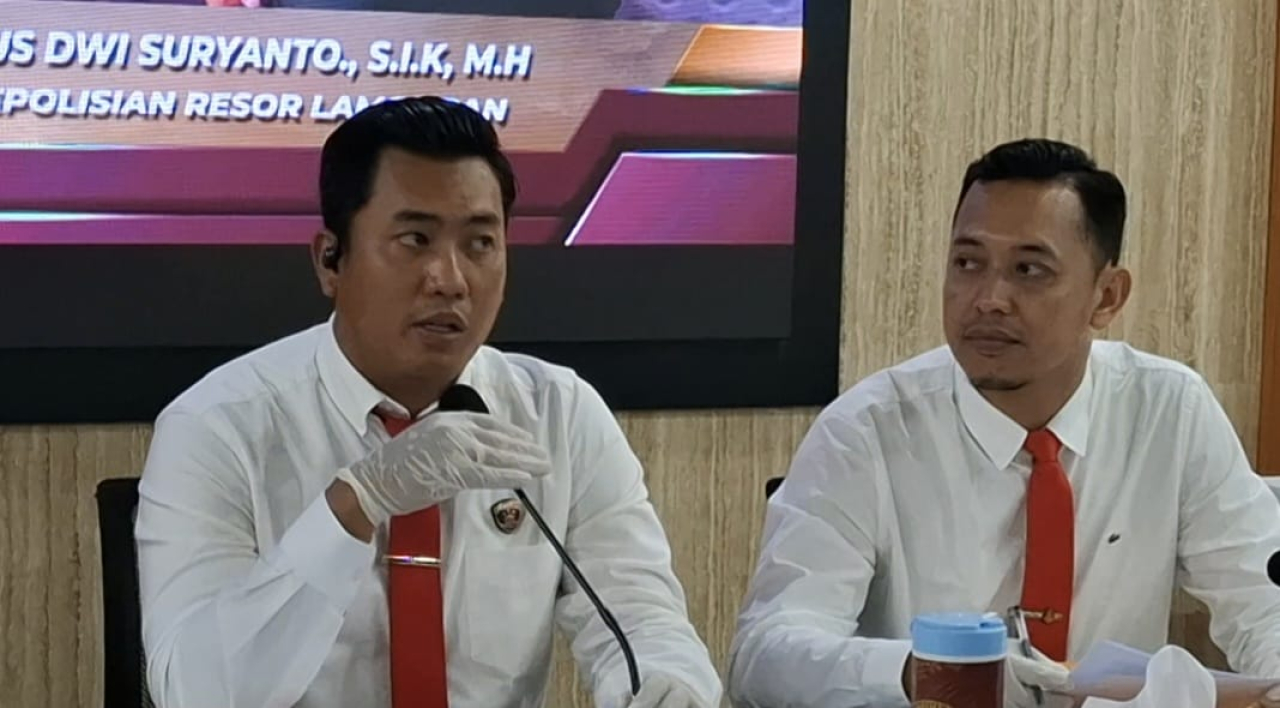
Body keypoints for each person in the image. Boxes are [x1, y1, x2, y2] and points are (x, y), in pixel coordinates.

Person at [136, 96, 720, 708]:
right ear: (330, 260)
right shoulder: (217, 427)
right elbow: (194, 692)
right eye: (415, 239)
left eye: (480, 243)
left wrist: (666, 685)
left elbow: (641, 620)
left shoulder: (559, 413)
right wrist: (353, 507)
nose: (450, 279)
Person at [727, 138, 1280, 707]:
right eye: (967, 263)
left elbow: (1264, 599)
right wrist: (924, 672)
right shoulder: (866, 432)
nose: (989, 299)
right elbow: (764, 658)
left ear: (1106, 297)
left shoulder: (1169, 410)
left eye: (1029, 270)